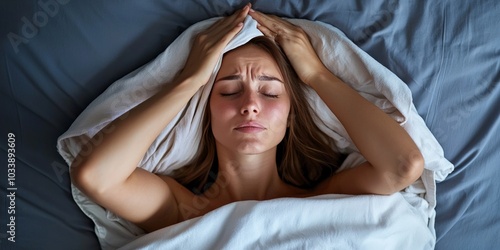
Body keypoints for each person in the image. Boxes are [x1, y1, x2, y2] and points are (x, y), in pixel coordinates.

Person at [70, 4, 424, 233]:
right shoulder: (180, 211)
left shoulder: (324, 197)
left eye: (270, 92)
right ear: (205, 111)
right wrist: (189, 80)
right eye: (228, 91)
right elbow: (96, 177)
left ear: (290, 114)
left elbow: (403, 165)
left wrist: (316, 74)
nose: (250, 104)